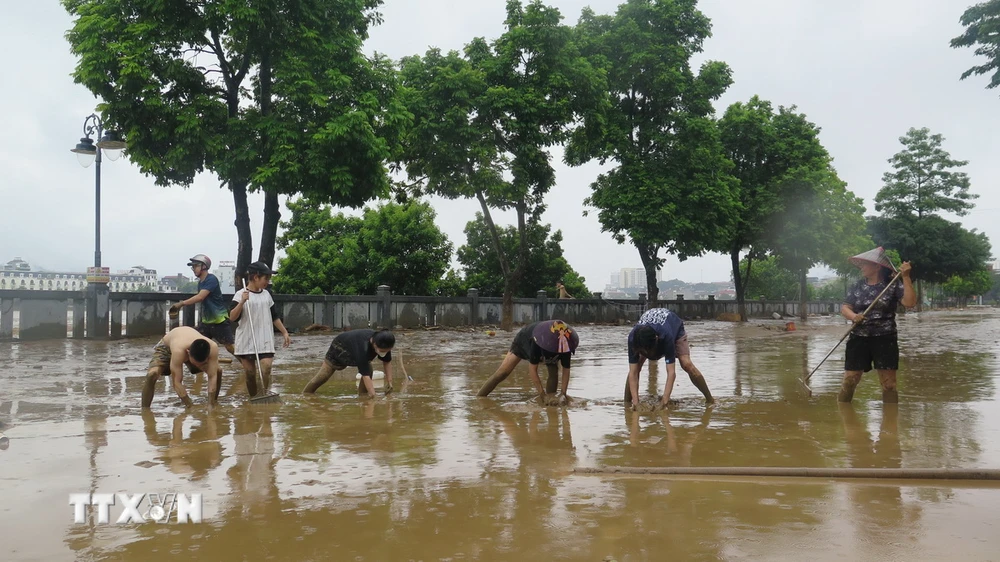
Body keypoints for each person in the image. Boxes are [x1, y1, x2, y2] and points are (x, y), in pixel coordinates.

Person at [838, 247, 916, 403]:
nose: (861, 268)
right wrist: (854, 316)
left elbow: (910, 303)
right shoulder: (857, 286)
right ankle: (844, 412)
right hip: (858, 337)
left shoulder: (893, 284)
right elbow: (845, 307)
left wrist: (906, 277)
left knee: (889, 385)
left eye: (865, 264)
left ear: (877, 266)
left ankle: (890, 422)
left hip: (885, 338)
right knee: (849, 380)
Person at [625, 308, 713, 410]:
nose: (647, 355)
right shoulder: (633, 338)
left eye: (648, 352)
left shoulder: (666, 336)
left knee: (686, 364)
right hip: (646, 338)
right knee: (635, 367)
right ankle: (627, 403)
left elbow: (671, 373)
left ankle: (710, 399)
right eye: (643, 352)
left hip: (675, 329)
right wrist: (636, 404)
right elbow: (633, 373)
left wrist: (664, 402)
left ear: (657, 341)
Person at [476, 319, 579, 405]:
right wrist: (542, 395)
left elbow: (566, 370)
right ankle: (479, 398)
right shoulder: (537, 342)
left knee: (553, 371)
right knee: (503, 372)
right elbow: (533, 370)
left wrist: (563, 394)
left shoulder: (566, 346)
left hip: (544, 343)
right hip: (524, 340)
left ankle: (551, 402)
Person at [229, 261, 292, 397]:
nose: (268, 282)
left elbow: (274, 316)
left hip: (265, 339)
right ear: (256, 277)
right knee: (250, 373)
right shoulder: (240, 295)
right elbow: (232, 317)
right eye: (266, 278)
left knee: (266, 368)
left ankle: (263, 394)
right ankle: (253, 398)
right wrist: (242, 302)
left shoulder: (267, 295)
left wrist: (284, 332)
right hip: (246, 339)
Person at [168, 254, 235, 355]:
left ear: (203, 266)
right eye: (193, 267)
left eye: (195, 266)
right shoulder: (201, 282)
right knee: (197, 348)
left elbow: (200, 297)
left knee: (230, 347)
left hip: (219, 320)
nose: (194, 269)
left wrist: (181, 304)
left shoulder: (211, 279)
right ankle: (199, 369)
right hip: (206, 322)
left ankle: (247, 365)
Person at [142, 326, 221, 409]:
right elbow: (177, 383)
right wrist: (190, 405)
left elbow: (212, 376)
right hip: (167, 346)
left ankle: (213, 402)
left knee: (218, 370)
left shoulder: (213, 347)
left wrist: (210, 405)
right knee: (152, 374)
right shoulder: (178, 351)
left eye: (202, 364)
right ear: (188, 353)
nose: (199, 366)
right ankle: (145, 409)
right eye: (197, 364)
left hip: (187, 344)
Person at [302, 329, 396, 398]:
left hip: (355, 348)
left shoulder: (384, 342)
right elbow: (365, 375)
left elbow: (387, 362)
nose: (384, 352)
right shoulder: (363, 349)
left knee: (369, 370)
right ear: (374, 344)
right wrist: (374, 396)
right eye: (382, 350)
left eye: (387, 351)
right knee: (323, 376)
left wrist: (389, 382)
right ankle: (305, 395)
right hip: (340, 348)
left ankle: (363, 395)